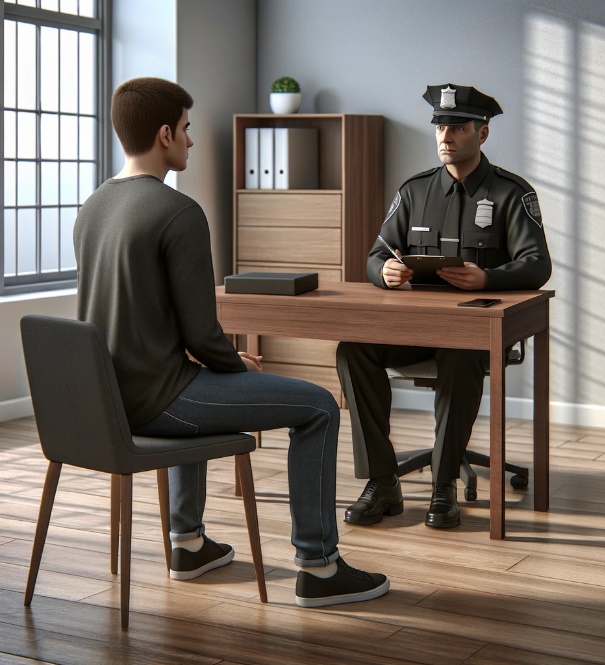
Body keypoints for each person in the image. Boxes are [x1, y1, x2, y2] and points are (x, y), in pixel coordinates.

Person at [73, 77, 389, 607]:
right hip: (157, 401)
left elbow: (149, 318)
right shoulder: (178, 212)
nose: (193, 142)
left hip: (106, 400)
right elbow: (201, 331)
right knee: (317, 406)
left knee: (198, 378)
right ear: (165, 133)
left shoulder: (92, 207)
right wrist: (238, 366)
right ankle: (320, 566)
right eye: (189, 131)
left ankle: (188, 544)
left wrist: (217, 363)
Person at [337, 83, 552, 530]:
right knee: (352, 349)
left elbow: (538, 264)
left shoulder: (513, 192)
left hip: (473, 334)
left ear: (483, 134)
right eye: (439, 126)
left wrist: (489, 278)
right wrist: (385, 274)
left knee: (458, 354)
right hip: (414, 330)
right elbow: (377, 254)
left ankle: (443, 484)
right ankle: (382, 480)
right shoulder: (414, 191)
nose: (445, 136)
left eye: (456, 126)